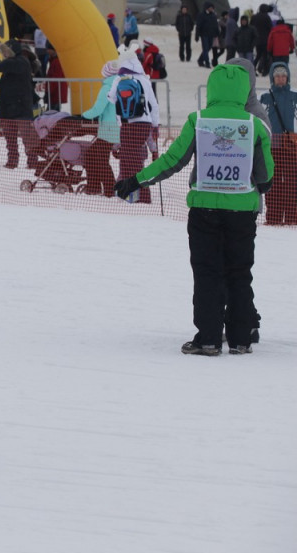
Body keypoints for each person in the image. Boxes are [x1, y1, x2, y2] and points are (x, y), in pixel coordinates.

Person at [114, 63, 273, 356]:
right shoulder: (255, 124)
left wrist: (136, 180)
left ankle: (209, 338)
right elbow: (265, 177)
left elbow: (172, 160)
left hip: (204, 211)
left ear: (212, 87)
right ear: (244, 88)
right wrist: (257, 185)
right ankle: (241, 339)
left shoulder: (198, 120)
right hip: (242, 213)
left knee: (207, 273)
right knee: (239, 273)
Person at [107, 50, 160, 204]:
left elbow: (111, 98)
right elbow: (154, 105)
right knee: (136, 160)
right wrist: (155, 126)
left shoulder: (119, 78)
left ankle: (133, 196)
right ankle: (141, 196)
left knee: (127, 160)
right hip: (143, 124)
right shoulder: (144, 79)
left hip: (126, 124)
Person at [0, 42, 37, 169]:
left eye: (5, 51)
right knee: (10, 137)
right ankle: (12, 160)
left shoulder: (21, 61)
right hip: (7, 107)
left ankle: (32, 161)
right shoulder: (11, 66)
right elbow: (10, 80)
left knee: (27, 137)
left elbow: (9, 65)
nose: (4, 54)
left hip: (21, 107)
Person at [259, 62, 296, 225]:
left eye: (283, 75)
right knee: (272, 183)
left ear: (287, 77)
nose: (280, 79)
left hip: (292, 147)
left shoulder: (294, 96)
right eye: (277, 76)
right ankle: (273, 218)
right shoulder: (265, 98)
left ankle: (292, 218)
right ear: (272, 78)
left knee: (292, 183)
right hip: (272, 147)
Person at [79, 60, 121, 197]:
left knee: (99, 158)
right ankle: (96, 186)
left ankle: (107, 189)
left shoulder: (107, 87)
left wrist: (83, 116)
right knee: (94, 155)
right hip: (114, 127)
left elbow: (98, 109)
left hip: (109, 128)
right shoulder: (119, 84)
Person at [195, 2, 219, 68]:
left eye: (212, 8)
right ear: (207, 8)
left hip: (211, 35)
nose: (211, 9)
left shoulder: (213, 15)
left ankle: (200, 60)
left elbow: (215, 25)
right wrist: (197, 35)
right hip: (204, 34)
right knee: (205, 48)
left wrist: (217, 33)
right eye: (210, 8)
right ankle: (207, 63)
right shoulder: (202, 15)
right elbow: (198, 25)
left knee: (208, 48)